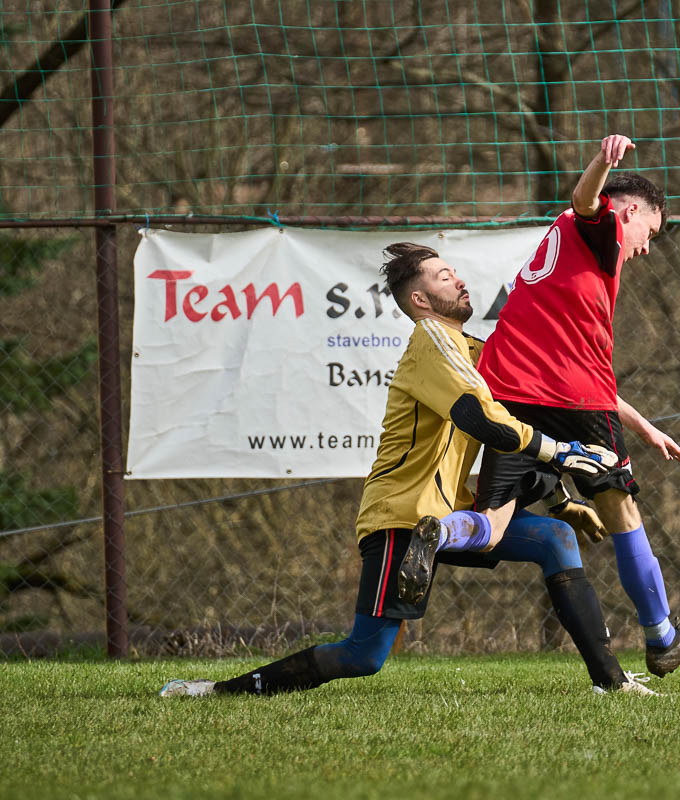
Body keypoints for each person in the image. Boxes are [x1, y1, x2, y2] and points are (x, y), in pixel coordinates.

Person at [160, 243, 653, 698]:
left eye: (455, 273)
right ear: (420, 299)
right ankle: (217, 691)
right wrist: (562, 453)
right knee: (363, 655)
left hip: (447, 515)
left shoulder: (474, 349)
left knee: (555, 539)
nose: (459, 281)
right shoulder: (432, 342)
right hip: (403, 514)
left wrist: (562, 501)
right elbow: (482, 419)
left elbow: (535, 404)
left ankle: (611, 682)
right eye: (444, 277)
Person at [473, 133, 680, 678]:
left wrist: (645, 426)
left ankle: (430, 541)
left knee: (489, 523)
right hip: (575, 402)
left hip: (510, 390)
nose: (646, 247)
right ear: (629, 212)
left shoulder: (566, 241)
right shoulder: (599, 227)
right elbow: (587, 200)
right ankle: (662, 638)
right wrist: (602, 161)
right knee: (622, 512)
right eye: (650, 231)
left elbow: (569, 362)